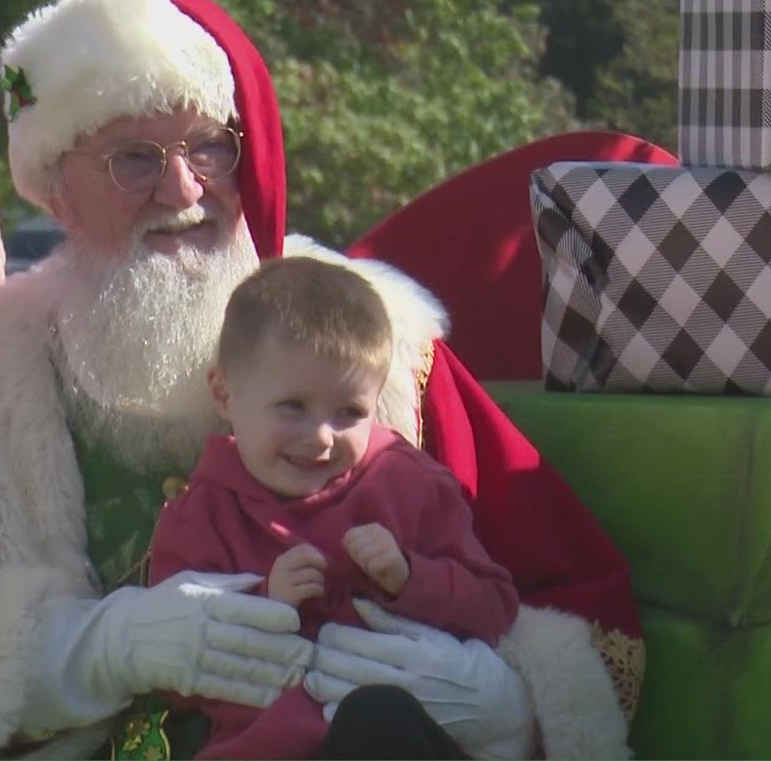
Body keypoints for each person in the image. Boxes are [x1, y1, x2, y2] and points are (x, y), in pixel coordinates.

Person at [0, 0, 644, 759]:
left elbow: (583, 613)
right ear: (55, 186)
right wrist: (87, 653)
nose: (182, 192)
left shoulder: (377, 347)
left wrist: (497, 706)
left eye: (209, 147)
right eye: (133, 159)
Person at [148, 255, 519, 759]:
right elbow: (172, 682)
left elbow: (495, 608)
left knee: (376, 716)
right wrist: (261, 606)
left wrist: (409, 577)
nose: (321, 438)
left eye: (349, 413)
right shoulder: (201, 514)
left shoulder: (407, 484)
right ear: (224, 392)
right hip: (264, 750)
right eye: (292, 407)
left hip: (393, 739)